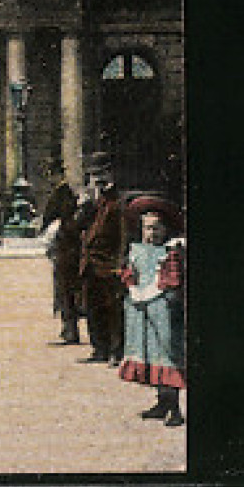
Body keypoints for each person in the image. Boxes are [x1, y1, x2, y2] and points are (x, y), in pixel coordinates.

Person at [120, 201, 186, 426]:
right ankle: (161, 402)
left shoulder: (170, 251)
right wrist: (132, 286)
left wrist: (148, 294)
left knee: (166, 355)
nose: (152, 233)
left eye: (157, 227)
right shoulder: (136, 250)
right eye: (147, 228)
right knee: (148, 354)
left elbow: (170, 280)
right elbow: (129, 272)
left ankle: (175, 408)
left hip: (163, 310)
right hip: (140, 310)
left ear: (166, 229)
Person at [78, 173, 126, 365]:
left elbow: (122, 237)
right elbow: (79, 226)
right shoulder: (93, 205)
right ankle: (99, 348)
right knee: (93, 308)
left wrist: (119, 263)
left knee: (112, 310)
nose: (97, 186)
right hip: (90, 264)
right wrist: (84, 206)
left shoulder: (116, 205)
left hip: (107, 265)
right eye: (94, 181)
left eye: (101, 182)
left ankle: (115, 351)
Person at [41, 168, 84, 344]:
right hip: (65, 247)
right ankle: (68, 327)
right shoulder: (66, 193)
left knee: (65, 291)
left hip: (66, 248)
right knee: (65, 291)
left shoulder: (62, 194)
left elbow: (53, 217)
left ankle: (70, 329)